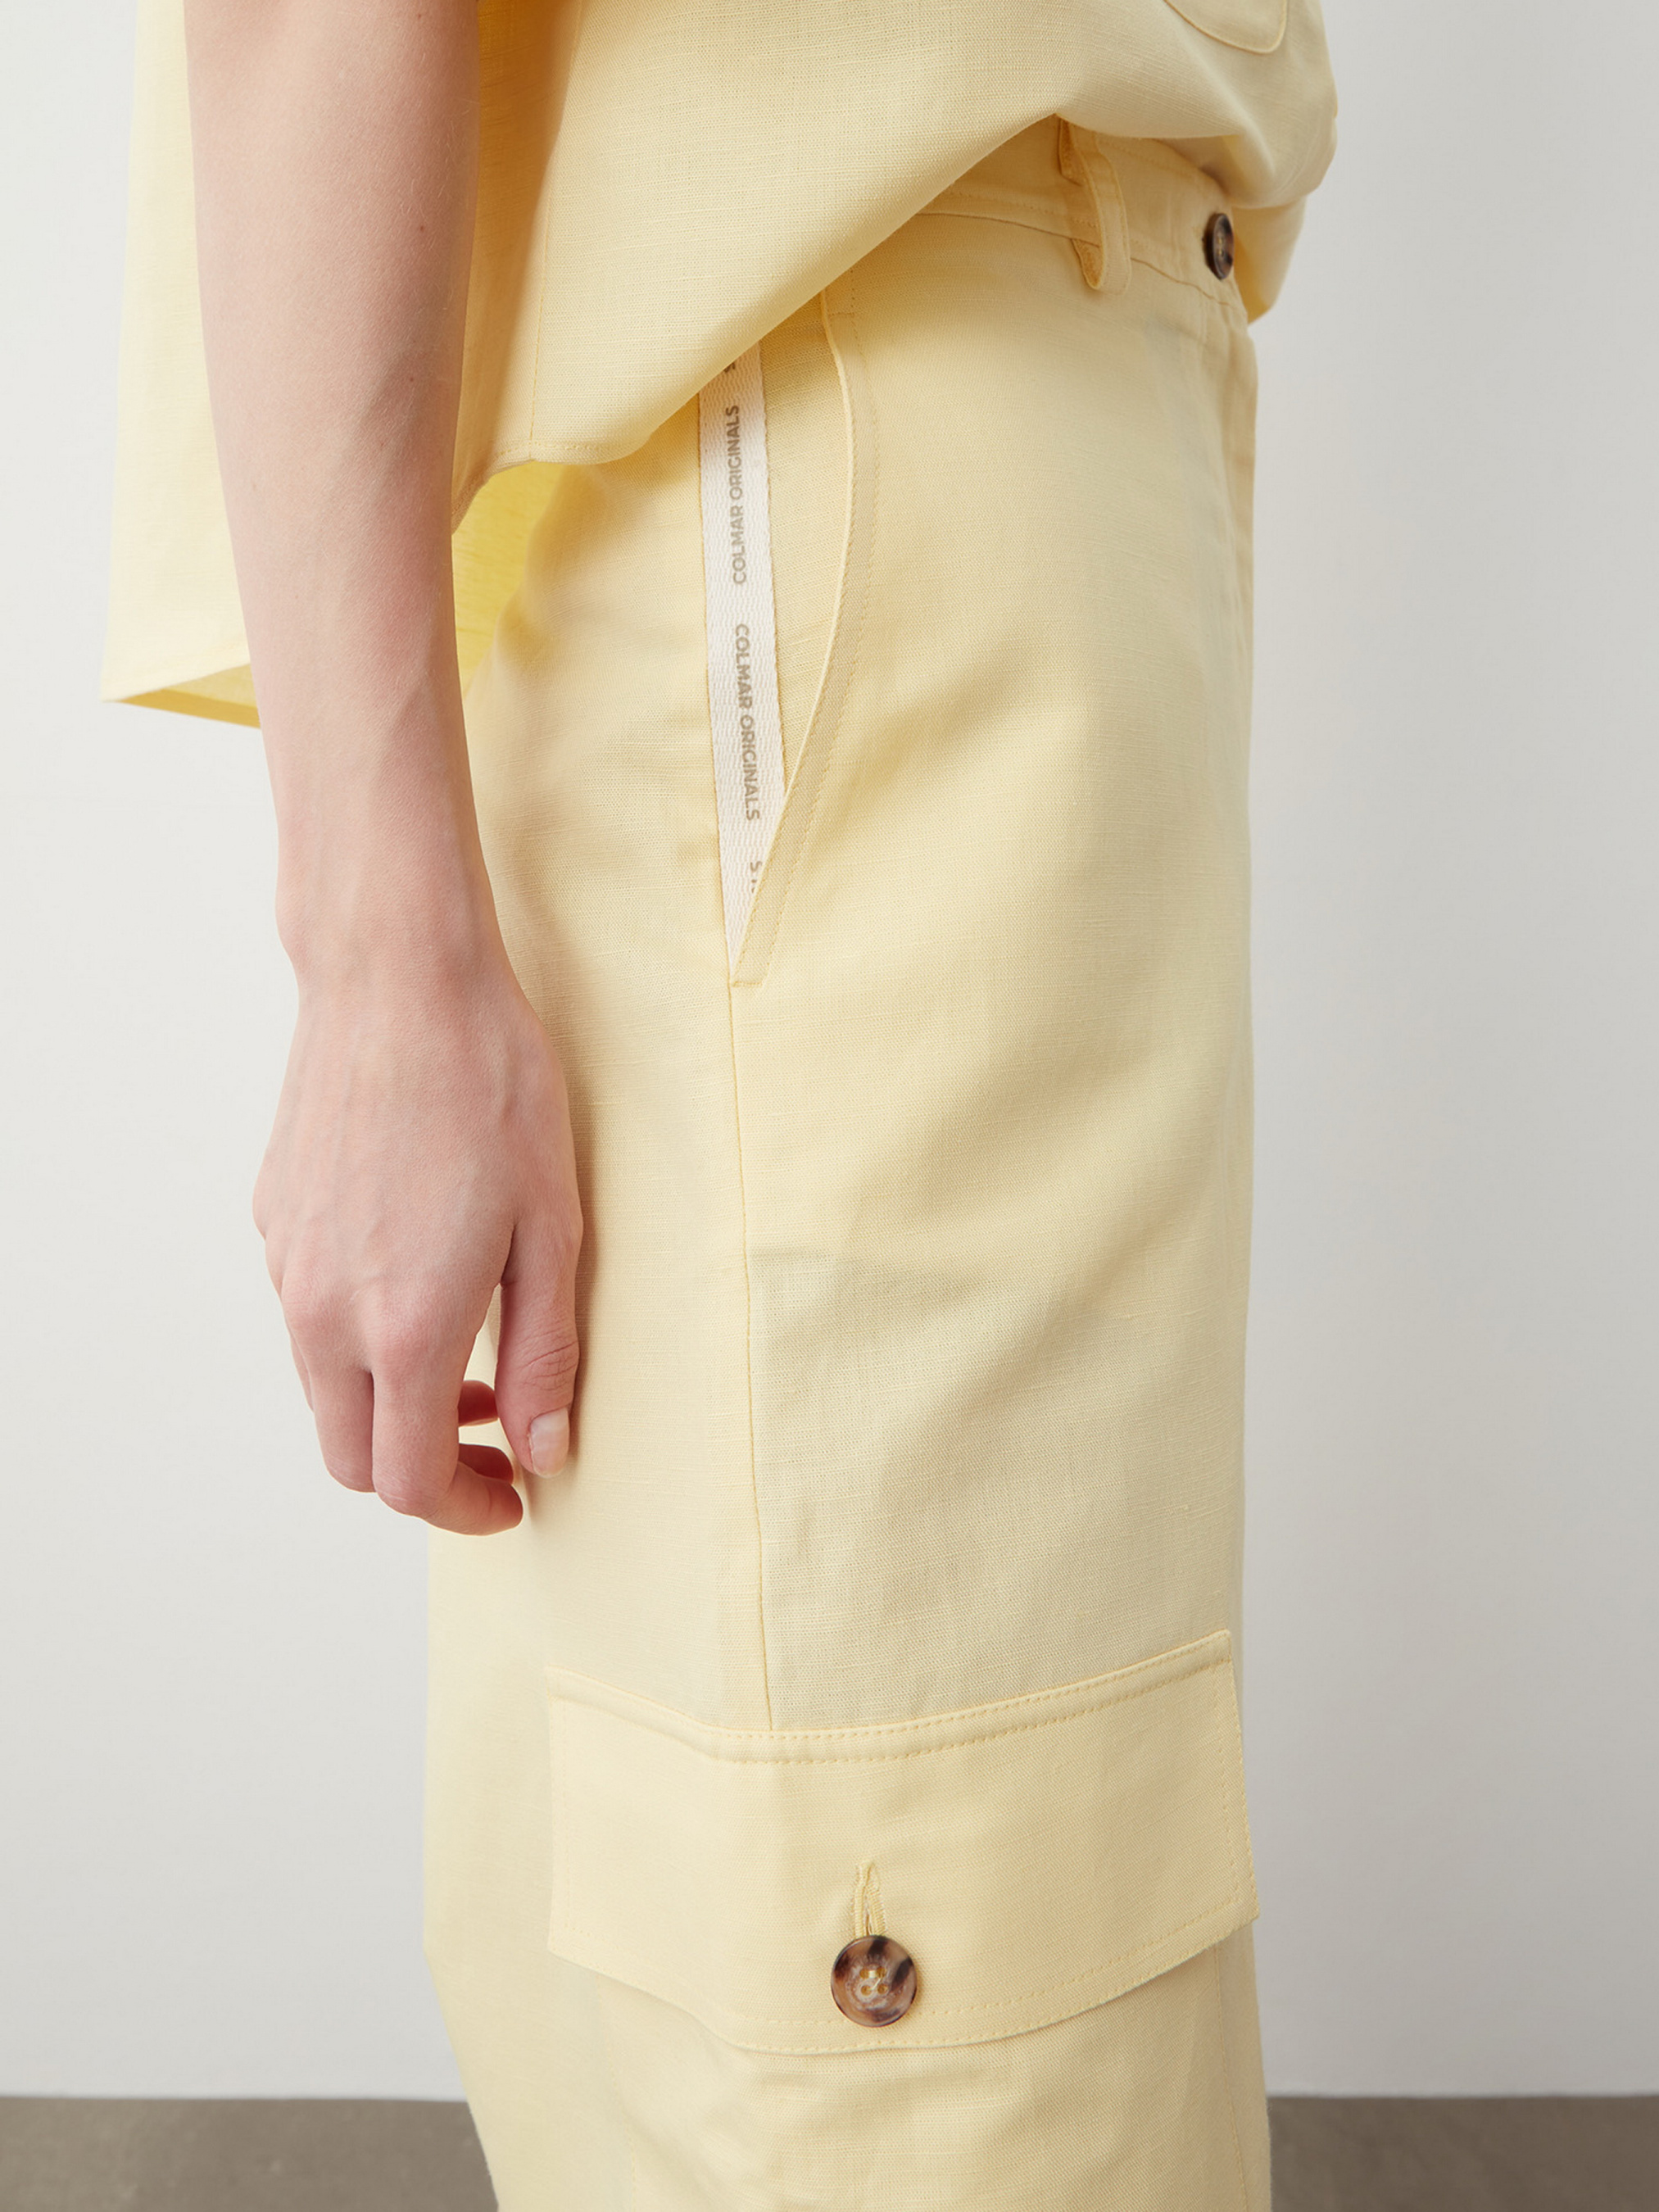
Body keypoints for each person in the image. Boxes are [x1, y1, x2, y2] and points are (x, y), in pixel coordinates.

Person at [106, 2, 1338, 2203]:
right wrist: (376, 951)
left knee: (753, 1902)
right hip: (833, 416)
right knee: (912, 1976)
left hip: (959, 398)